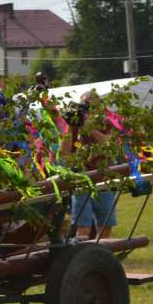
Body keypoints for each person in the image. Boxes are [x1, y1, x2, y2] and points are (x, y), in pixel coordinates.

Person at [61, 90, 118, 240]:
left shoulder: (107, 122)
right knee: (83, 225)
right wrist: (71, 126)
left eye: (90, 106)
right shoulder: (76, 126)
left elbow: (108, 144)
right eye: (85, 106)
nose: (86, 110)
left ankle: (102, 257)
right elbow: (65, 152)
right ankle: (84, 257)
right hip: (82, 179)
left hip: (103, 178)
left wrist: (88, 126)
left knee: (105, 224)